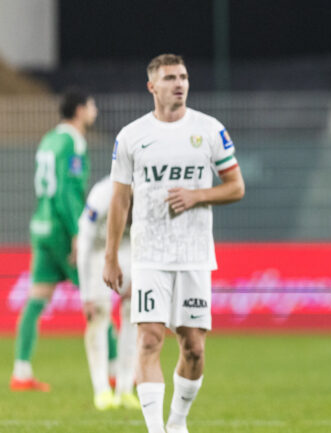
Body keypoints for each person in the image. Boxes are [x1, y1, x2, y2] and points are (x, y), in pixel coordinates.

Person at [103, 53, 245, 433]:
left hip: (194, 255)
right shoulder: (132, 136)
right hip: (149, 254)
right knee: (148, 340)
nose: (179, 83)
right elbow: (120, 200)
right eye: (169, 78)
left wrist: (198, 196)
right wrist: (112, 256)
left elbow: (236, 187)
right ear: (152, 86)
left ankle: (177, 422)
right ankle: (157, 430)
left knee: (193, 349)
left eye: (183, 76)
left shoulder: (210, 130)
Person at [11, 90, 98, 392]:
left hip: (41, 224)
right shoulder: (73, 140)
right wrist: (79, 231)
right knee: (95, 296)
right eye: (91, 105)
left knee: (37, 298)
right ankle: (114, 372)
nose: (94, 110)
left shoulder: (49, 138)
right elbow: (67, 191)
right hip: (63, 228)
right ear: (79, 110)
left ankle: (21, 372)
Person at [78, 176, 140, 409]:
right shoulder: (102, 194)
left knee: (134, 314)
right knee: (99, 315)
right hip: (98, 252)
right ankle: (101, 390)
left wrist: (142, 273)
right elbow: (84, 241)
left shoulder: (147, 193)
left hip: (130, 250)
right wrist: (86, 297)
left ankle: (125, 388)